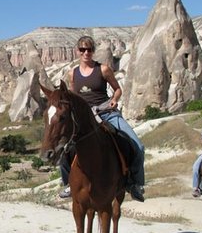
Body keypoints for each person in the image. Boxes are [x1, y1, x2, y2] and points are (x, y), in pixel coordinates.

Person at [58, 36, 146, 202]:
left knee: (138, 146)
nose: (86, 53)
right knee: (63, 149)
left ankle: (135, 183)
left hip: (105, 112)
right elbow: (73, 97)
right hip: (83, 118)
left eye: (89, 49)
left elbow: (117, 89)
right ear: (77, 51)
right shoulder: (72, 73)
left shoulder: (103, 69)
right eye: (83, 49)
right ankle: (69, 183)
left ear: (93, 51)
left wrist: (114, 100)